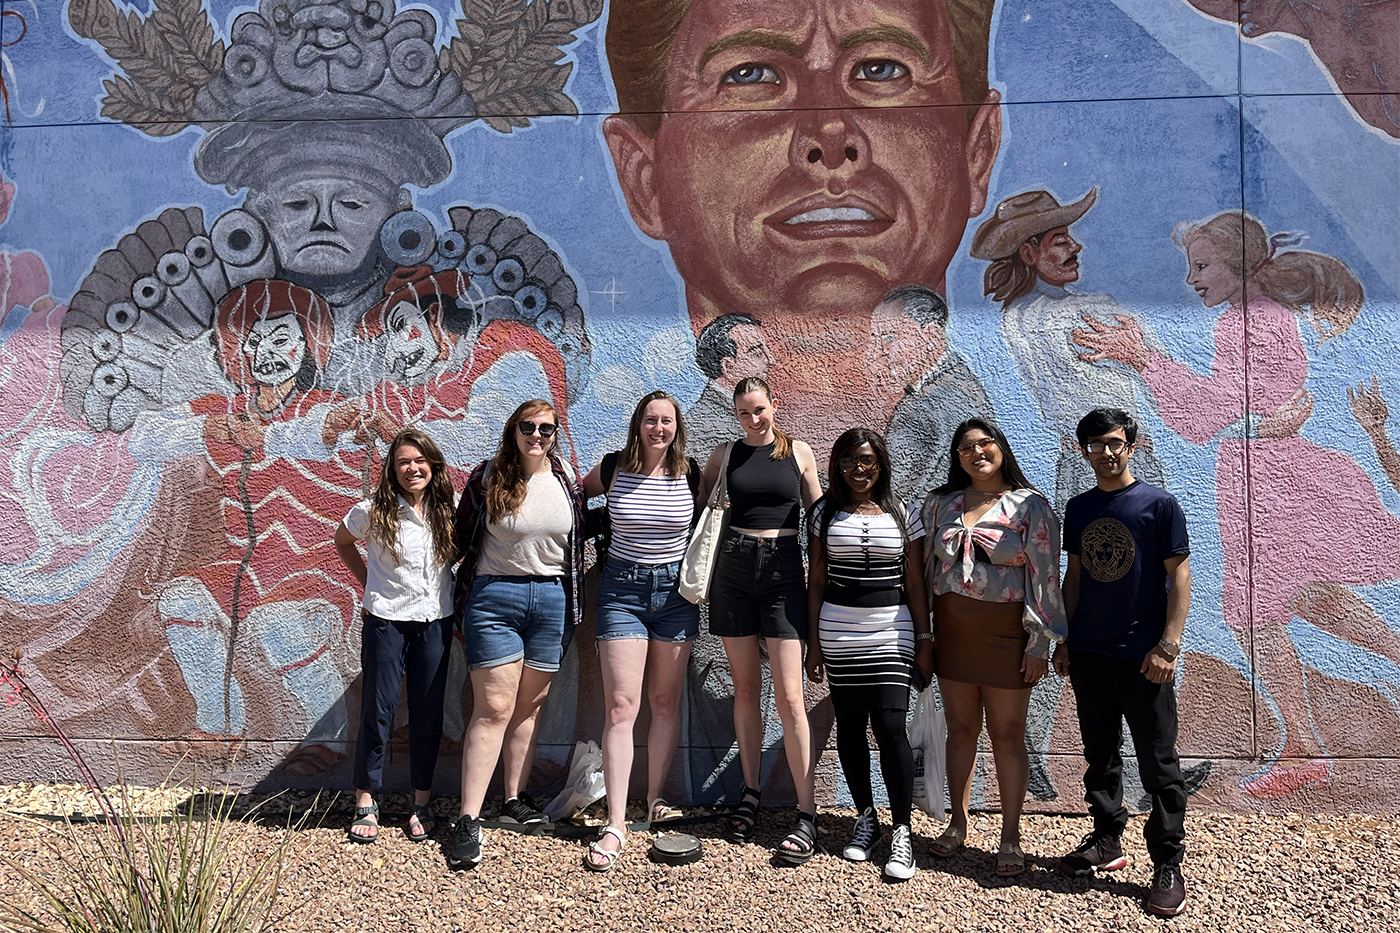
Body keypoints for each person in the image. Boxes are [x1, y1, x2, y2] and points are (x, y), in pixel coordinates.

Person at [1074, 210, 1400, 800]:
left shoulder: (1250, 323)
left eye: (1203, 266)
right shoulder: (1253, 319)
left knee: (1257, 614)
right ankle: (1305, 744)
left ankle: (1302, 748)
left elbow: (1205, 416)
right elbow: (1236, 408)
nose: (1192, 279)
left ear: (1240, 264)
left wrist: (1142, 355)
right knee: (1307, 598)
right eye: (1190, 266)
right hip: (1268, 471)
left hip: (1275, 478)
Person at [603, 0, 1002, 451]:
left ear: (977, 155)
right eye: (749, 74)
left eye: (881, 68)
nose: (830, 133)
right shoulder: (684, 466)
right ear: (644, 179)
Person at [1053, 407, 1192, 917]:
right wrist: (1064, 638)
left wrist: (1168, 645)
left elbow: (1179, 577)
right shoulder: (1079, 507)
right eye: (1095, 444)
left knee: (1158, 763)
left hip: (1143, 658)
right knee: (1100, 753)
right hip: (1090, 652)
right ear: (1083, 450)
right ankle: (1107, 839)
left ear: (1131, 446)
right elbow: (1075, 578)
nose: (1105, 452)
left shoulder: (1159, 505)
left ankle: (1168, 862)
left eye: (1114, 442)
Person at [922, 418, 1067, 876]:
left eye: (986, 444)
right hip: (952, 634)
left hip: (1007, 636)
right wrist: (923, 634)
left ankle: (1010, 835)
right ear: (956, 457)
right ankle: (958, 823)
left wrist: (1040, 642)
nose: (977, 452)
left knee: (1006, 734)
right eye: (966, 447)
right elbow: (926, 571)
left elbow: (1045, 577)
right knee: (960, 730)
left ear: (1002, 448)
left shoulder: (1031, 506)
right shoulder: (940, 504)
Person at [448, 399, 588, 869]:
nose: (537, 436)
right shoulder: (488, 475)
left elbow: (581, 534)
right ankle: (468, 818)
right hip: (495, 599)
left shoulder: (567, 476)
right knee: (494, 710)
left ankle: (513, 799)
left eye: (546, 429)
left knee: (529, 708)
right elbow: (459, 535)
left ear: (555, 434)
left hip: (552, 600)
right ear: (514, 430)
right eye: (528, 427)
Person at [971, 188, 1165, 511]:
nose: (1076, 246)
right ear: (1029, 254)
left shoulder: (1019, 316)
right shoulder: (1080, 311)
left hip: (1105, 463)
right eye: (1060, 240)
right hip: (1102, 464)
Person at [700, 376, 823, 864]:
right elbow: (702, 512)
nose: (753, 420)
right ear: (736, 415)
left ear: (775, 405)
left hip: (784, 571)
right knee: (746, 689)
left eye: (760, 410)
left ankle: (806, 811)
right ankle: (750, 792)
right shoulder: (724, 455)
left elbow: (818, 521)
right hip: (732, 570)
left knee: (791, 696)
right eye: (744, 413)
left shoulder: (800, 453)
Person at [579, 391, 703, 872]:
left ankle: (654, 801)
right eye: (650, 420)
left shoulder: (690, 473)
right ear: (638, 424)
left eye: (666, 421)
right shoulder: (613, 468)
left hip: (676, 595)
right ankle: (615, 821)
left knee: (665, 703)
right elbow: (576, 500)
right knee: (620, 707)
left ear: (677, 427)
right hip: (622, 592)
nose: (658, 428)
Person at [805, 428, 931, 881]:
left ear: (881, 463)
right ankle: (865, 818)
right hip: (839, 633)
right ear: (837, 466)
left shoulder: (904, 513)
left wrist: (924, 640)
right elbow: (816, 581)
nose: (859, 470)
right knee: (851, 728)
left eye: (867, 461)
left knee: (891, 727)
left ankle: (902, 831)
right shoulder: (822, 513)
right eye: (849, 462)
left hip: (892, 630)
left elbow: (915, 583)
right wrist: (814, 643)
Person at [334, 427, 457, 843]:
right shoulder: (374, 509)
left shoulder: (446, 510)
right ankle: (365, 798)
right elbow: (343, 541)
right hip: (386, 620)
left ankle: (420, 800)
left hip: (435, 620)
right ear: (392, 468)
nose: (412, 468)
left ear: (433, 466)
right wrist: (369, 583)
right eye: (403, 462)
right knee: (378, 708)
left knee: (428, 713)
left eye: (419, 461)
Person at [873, 285, 995, 507]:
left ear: (930, 335)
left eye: (890, 338)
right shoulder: (960, 380)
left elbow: (890, 487)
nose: (881, 351)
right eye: (877, 339)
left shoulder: (926, 407)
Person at [687, 314, 774, 456]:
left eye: (767, 350)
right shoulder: (707, 424)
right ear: (727, 366)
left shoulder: (735, 411)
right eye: (757, 353)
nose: (771, 360)